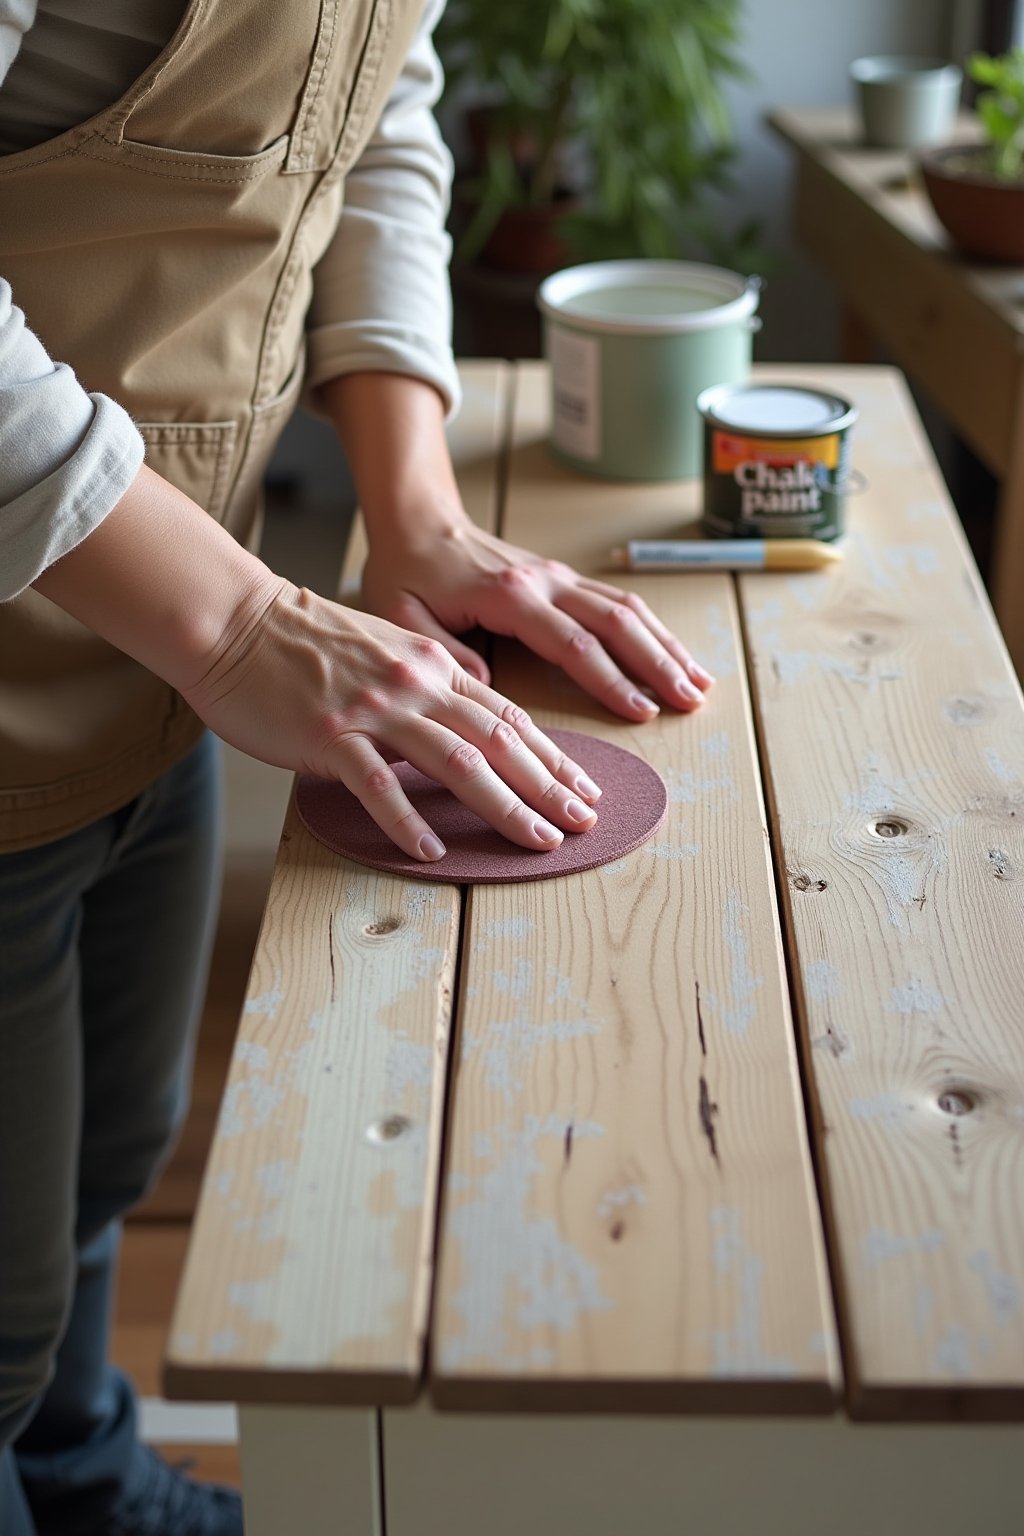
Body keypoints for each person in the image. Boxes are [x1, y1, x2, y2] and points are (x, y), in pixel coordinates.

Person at [0, 2, 714, 1532]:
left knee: (101, 1158)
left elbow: (373, 109)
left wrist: (418, 510)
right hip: (163, 637)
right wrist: (244, 623)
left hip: (157, 668)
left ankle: (81, 1476)